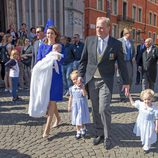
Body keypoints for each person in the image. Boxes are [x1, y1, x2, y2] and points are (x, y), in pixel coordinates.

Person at [78, 17, 130, 150]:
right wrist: (80, 76)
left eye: (101, 27)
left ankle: (107, 136)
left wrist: (126, 82)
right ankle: (98, 133)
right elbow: (83, 60)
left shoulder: (116, 44)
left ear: (108, 28)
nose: (98, 30)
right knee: (95, 109)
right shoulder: (89, 41)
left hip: (106, 80)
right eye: (97, 27)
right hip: (91, 80)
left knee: (104, 108)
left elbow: (122, 64)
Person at [29, 26, 64, 138]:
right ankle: (58, 118)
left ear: (56, 35)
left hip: (55, 77)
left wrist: (58, 57)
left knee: (52, 100)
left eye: (52, 33)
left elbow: (62, 60)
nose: (49, 35)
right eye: (48, 33)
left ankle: (47, 128)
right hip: (44, 77)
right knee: (49, 100)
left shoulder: (59, 46)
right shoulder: (42, 47)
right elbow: (38, 61)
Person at [68, 70, 90, 139]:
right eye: (73, 80)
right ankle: (78, 131)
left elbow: (85, 94)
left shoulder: (82, 87)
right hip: (75, 106)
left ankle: (83, 128)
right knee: (76, 119)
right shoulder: (71, 88)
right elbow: (71, 97)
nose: (74, 81)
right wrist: (69, 105)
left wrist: (82, 88)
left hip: (82, 106)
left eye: (76, 79)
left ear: (79, 79)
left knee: (81, 118)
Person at [118, 27, 135, 102]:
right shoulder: (119, 41)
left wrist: (133, 57)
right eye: (130, 33)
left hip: (129, 62)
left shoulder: (131, 41)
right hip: (121, 62)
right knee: (122, 79)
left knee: (130, 78)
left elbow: (133, 51)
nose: (131, 35)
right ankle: (122, 96)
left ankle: (127, 93)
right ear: (125, 34)